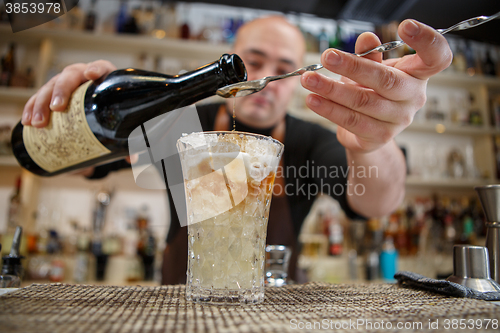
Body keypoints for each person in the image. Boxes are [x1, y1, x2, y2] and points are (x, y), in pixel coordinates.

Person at [21, 16, 452, 284]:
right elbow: (83, 166)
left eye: (284, 69)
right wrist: (71, 113)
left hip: (279, 304)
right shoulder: (180, 120)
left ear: (298, 80)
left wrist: (374, 140)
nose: (264, 78)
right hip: (179, 303)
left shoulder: (314, 139)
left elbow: (378, 202)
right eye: (254, 60)